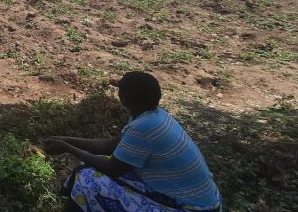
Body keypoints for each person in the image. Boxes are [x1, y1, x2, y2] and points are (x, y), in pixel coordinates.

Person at [44, 71, 222, 212]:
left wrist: (68, 148)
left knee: (85, 178)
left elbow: (112, 169)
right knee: (89, 162)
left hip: (190, 207)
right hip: (205, 201)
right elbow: (110, 146)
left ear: (126, 99)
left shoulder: (144, 127)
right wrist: (65, 140)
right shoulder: (154, 115)